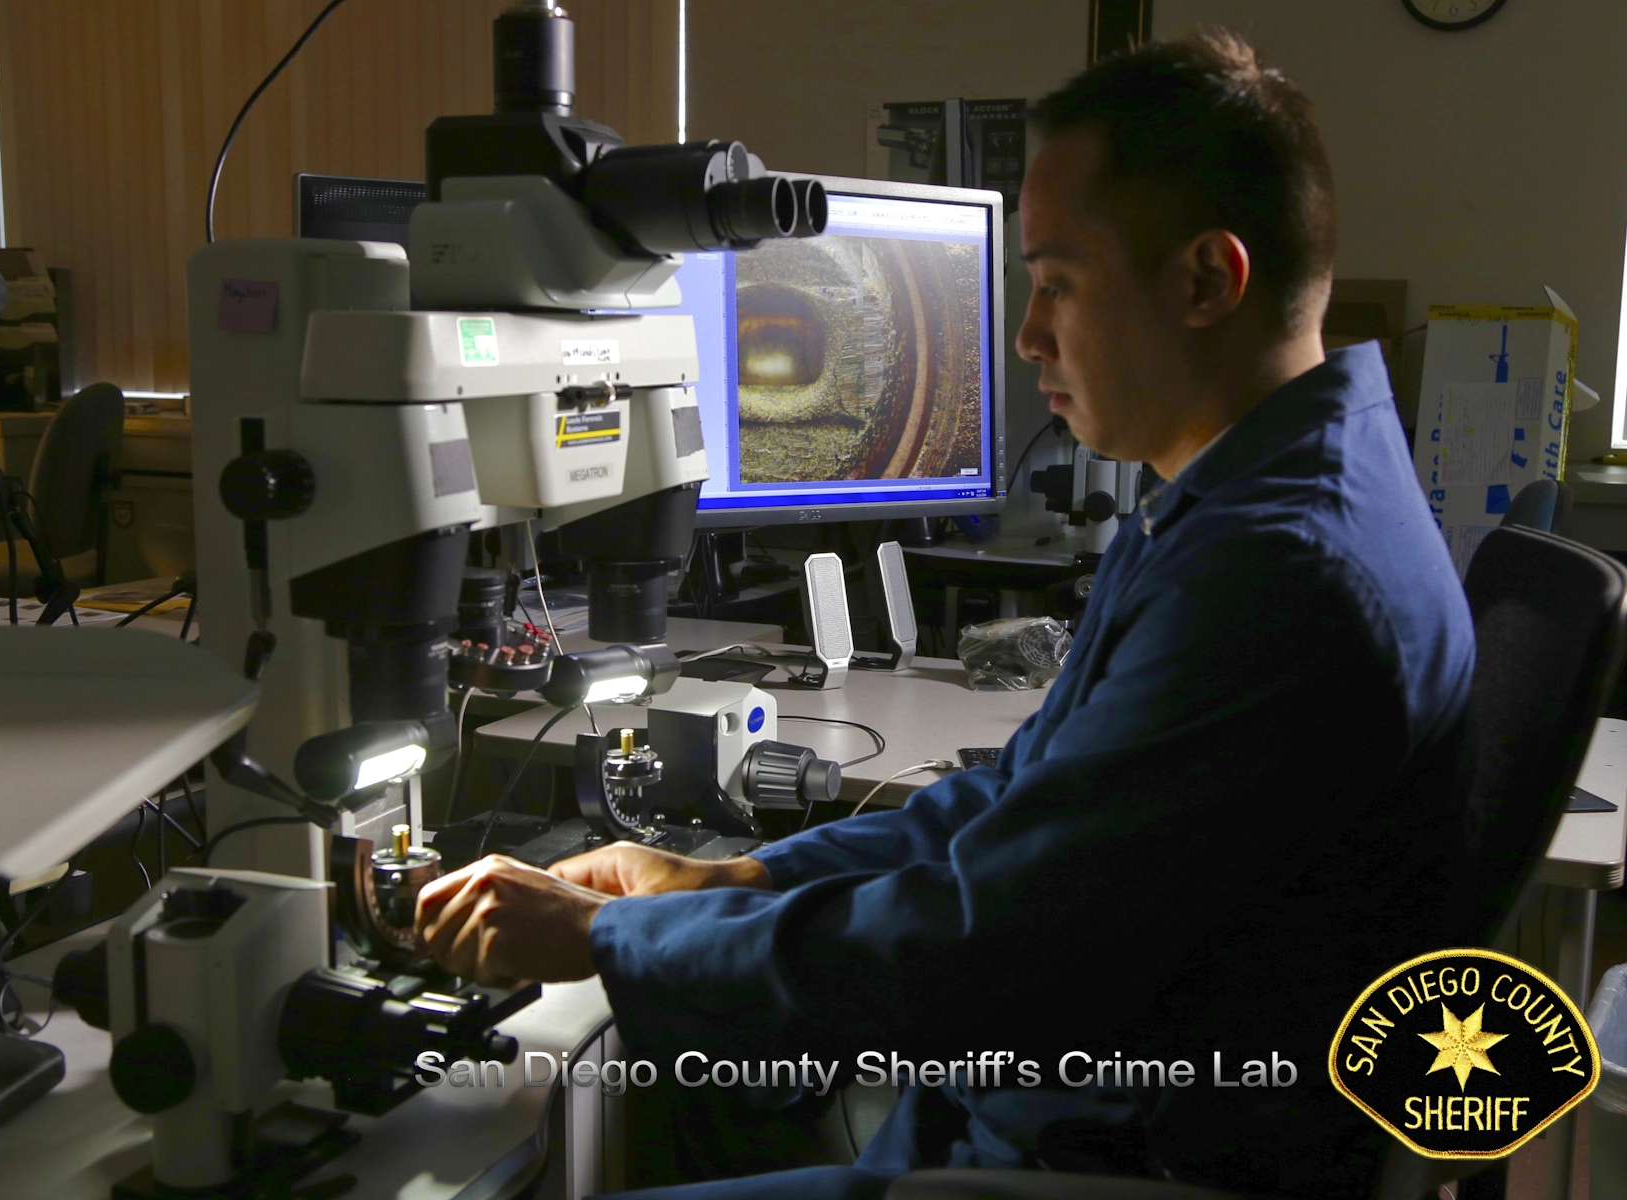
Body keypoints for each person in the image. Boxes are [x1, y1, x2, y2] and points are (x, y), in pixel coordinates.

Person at [415, 30, 1474, 1200]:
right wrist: (723, 885)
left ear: (1205, 281)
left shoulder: (1281, 574)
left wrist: (609, 941)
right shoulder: (1248, 497)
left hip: (1104, 1153)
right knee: (689, 1103)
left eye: (1058, 285)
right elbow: (1014, 804)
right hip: (1057, 1092)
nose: (1028, 338)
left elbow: (989, 952)